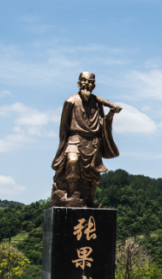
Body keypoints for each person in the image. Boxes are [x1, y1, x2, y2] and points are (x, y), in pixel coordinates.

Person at [51, 72, 123, 207]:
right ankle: (73, 196)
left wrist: (112, 113)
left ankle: (88, 201)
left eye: (90, 82)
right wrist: (62, 146)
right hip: (74, 139)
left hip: (92, 141)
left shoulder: (96, 103)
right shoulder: (70, 101)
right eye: (83, 81)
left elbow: (102, 123)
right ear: (78, 83)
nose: (86, 84)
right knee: (73, 161)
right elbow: (63, 128)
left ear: (93, 85)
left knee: (92, 172)